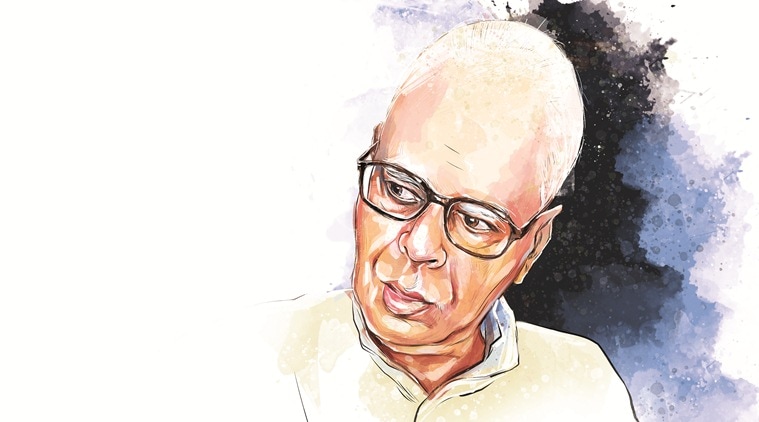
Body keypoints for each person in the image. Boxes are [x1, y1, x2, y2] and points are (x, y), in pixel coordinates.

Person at [255, 20, 637, 421]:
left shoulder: (583, 392)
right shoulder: (250, 357)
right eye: (399, 189)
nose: (419, 245)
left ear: (533, 246)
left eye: (475, 221)